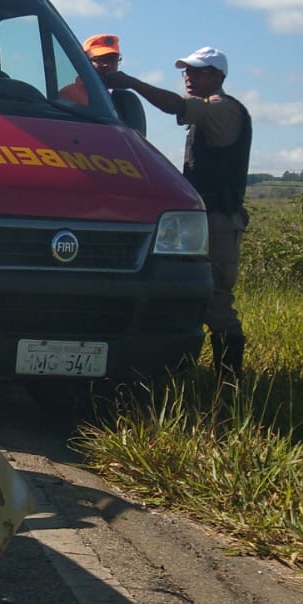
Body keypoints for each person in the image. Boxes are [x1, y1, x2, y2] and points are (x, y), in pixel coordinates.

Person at [105, 46, 252, 376]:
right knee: (190, 292)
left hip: (218, 220)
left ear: (218, 76)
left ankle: (229, 382)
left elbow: (175, 105)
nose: (188, 76)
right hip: (206, 220)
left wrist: (132, 83)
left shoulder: (222, 109)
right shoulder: (211, 111)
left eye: (197, 71)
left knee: (215, 299)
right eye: (186, 71)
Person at [60, 33, 121, 106]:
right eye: (101, 59)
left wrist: (135, 85)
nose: (109, 65)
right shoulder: (70, 94)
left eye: (113, 59)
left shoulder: (111, 99)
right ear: (85, 62)